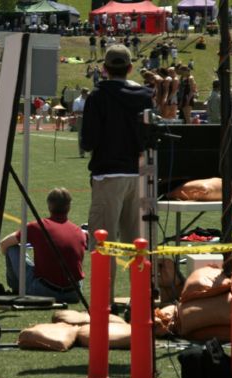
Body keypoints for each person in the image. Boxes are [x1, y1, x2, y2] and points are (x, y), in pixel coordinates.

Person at [81, 44, 152, 306]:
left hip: (108, 175)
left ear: (104, 69)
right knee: (138, 243)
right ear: (130, 68)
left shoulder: (97, 97)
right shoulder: (145, 95)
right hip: (139, 174)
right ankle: (141, 301)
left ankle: (103, 303)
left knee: (104, 243)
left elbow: (88, 141)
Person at [0, 188, 86, 303]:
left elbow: (4, 243)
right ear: (69, 207)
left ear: (49, 206)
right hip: (74, 293)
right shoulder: (79, 232)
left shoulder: (37, 226)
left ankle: (16, 289)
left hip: (44, 291)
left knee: (12, 248)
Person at [71, 87, 89, 157]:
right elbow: (75, 111)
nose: (87, 95)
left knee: (92, 135)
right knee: (81, 136)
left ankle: (92, 153)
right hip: (81, 119)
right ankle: (82, 153)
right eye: (86, 93)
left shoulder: (91, 99)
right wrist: (86, 111)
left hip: (90, 119)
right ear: (82, 93)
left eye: (88, 93)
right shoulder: (77, 100)